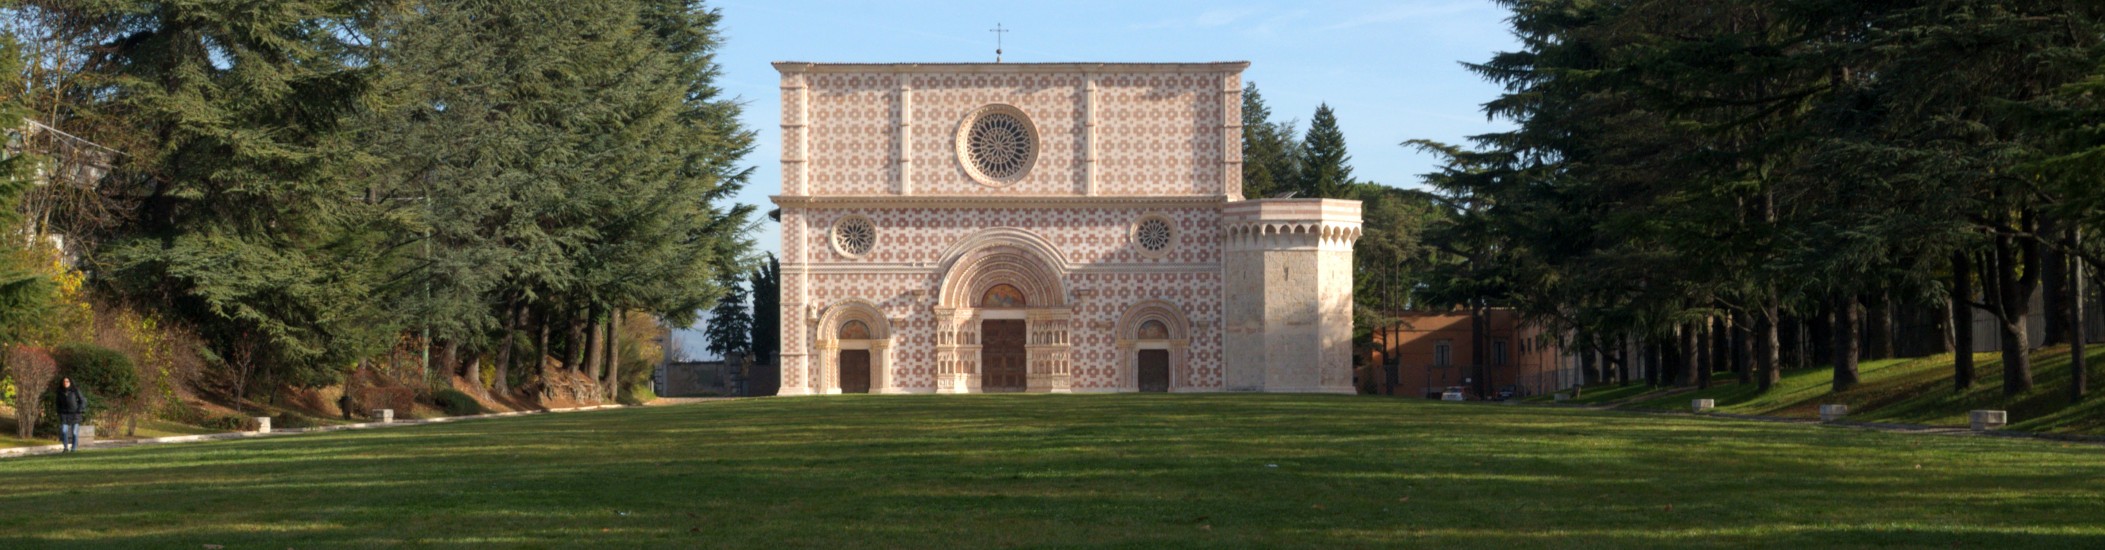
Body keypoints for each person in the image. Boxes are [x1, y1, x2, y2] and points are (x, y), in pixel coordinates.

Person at [55, 377, 87, 453]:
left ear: (70, 382)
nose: (65, 383)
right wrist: (59, 411)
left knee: (74, 432)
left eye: (67, 381)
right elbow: (57, 404)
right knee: (64, 431)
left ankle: (74, 448)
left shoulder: (75, 391)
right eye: (64, 381)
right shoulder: (60, 392)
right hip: (64, 415)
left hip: (75, 414)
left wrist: (79, 409)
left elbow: (83, 401)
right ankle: (65, 447)